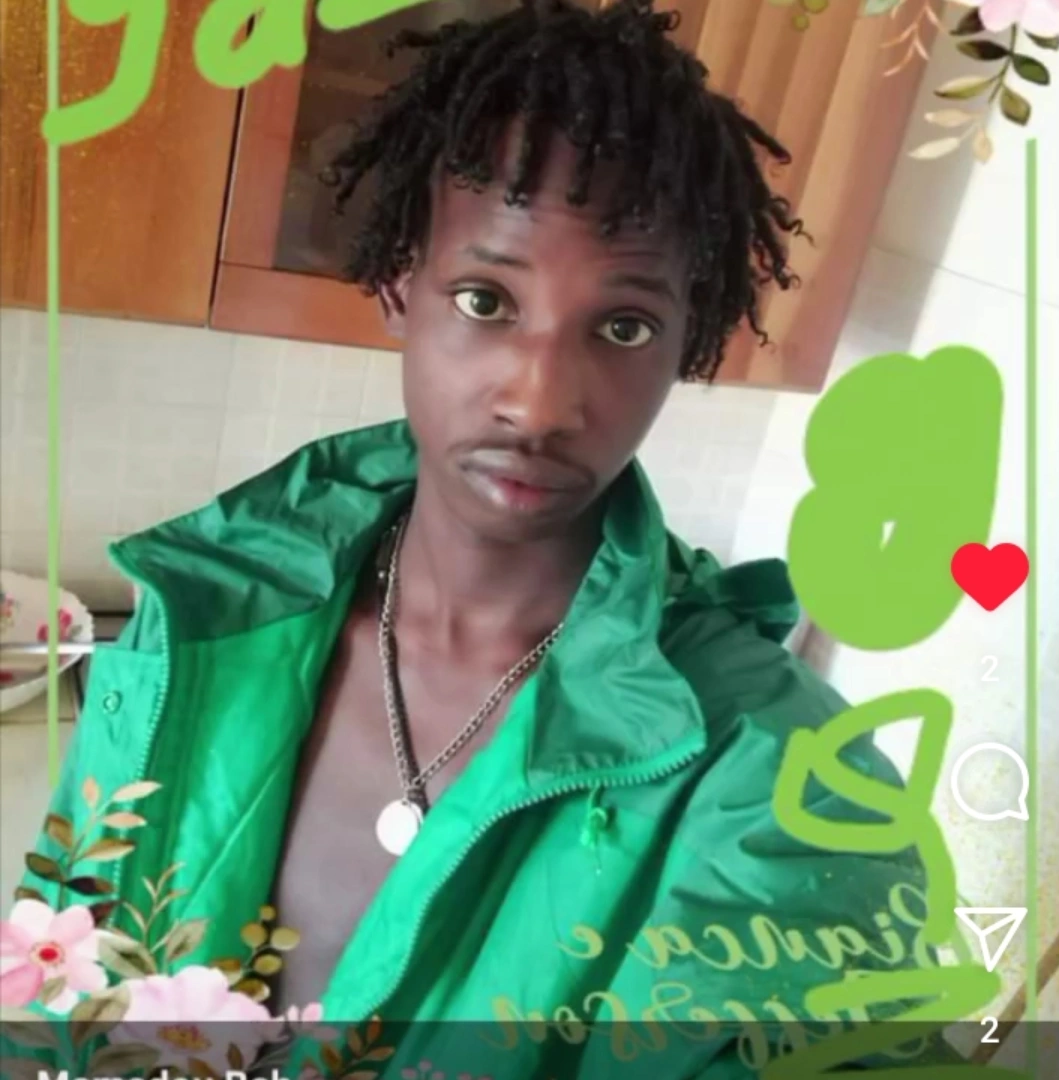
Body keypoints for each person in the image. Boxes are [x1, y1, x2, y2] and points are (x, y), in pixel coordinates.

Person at [15, 1, 943, 1074]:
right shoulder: (205, 619)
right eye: (485, 299)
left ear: (688, 342)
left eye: (625, 325)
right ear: (400, 284)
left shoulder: (779, 782)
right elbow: (53, 978)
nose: (539, 403)